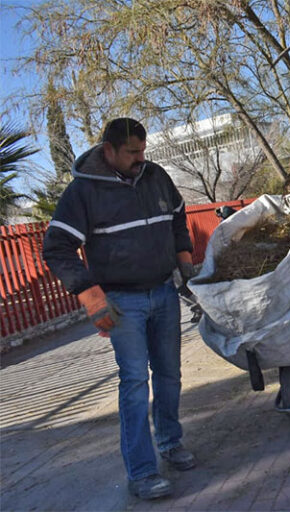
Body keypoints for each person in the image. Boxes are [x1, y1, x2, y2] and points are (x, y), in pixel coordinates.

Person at [43, 118, 197, 499]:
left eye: (143, 151)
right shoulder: (83, 192)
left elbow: (178, 216)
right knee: (133, 384)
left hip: (163, 293)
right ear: (108, 150)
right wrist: (92, 297)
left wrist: (184, 261)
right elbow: (56, 247)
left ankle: (170, 443)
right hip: (121, 303)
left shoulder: (156, 176)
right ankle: (142, 473)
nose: (140, 159)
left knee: (169, 376)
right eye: (132, 152)